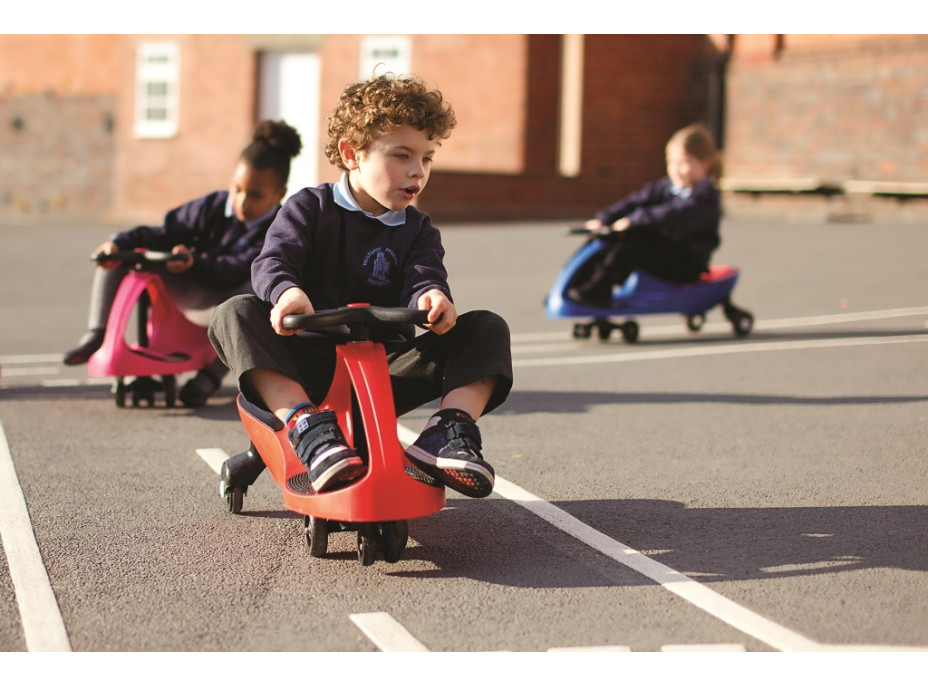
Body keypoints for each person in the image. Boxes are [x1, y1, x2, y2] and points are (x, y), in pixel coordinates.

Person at [208, 74, 512, 498]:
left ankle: (446, 430)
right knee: (235, 312)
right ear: (352, 154)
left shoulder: (418, 229)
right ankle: (306, 425)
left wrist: (432, 297)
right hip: (308, 368)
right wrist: (287, 293)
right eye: (402, 155)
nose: (417, 171)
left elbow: (424, 275)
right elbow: (274, 261)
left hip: (385, 372)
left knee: (486, 328)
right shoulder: (308, 208)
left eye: (427, 158)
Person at [63, 120, 303, 407]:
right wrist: (120, 243)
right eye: (237, 189)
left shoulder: (279, 226)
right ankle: (97, 333)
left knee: (257, 292)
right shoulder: (213, 206)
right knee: (122, 254)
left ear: (279, 194)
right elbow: (166, 232)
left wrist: (194, 263)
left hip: (225, 304)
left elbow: (235, 269)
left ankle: (208, 377)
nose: (242, 201)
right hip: (189, 294)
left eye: (255, 195)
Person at [567, 123, 722, 304]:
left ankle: (598, 289)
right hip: (664, 255)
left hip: (686, 265)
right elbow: (635, 201)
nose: (676, 169)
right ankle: (574, 284)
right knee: (606, 237)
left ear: (705, 164)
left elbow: (673, 214)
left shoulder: (706, 198)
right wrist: (604, 219)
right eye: (672, 163)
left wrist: (633, 221)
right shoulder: (666, 187)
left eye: (684, 163)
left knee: (636, 238)